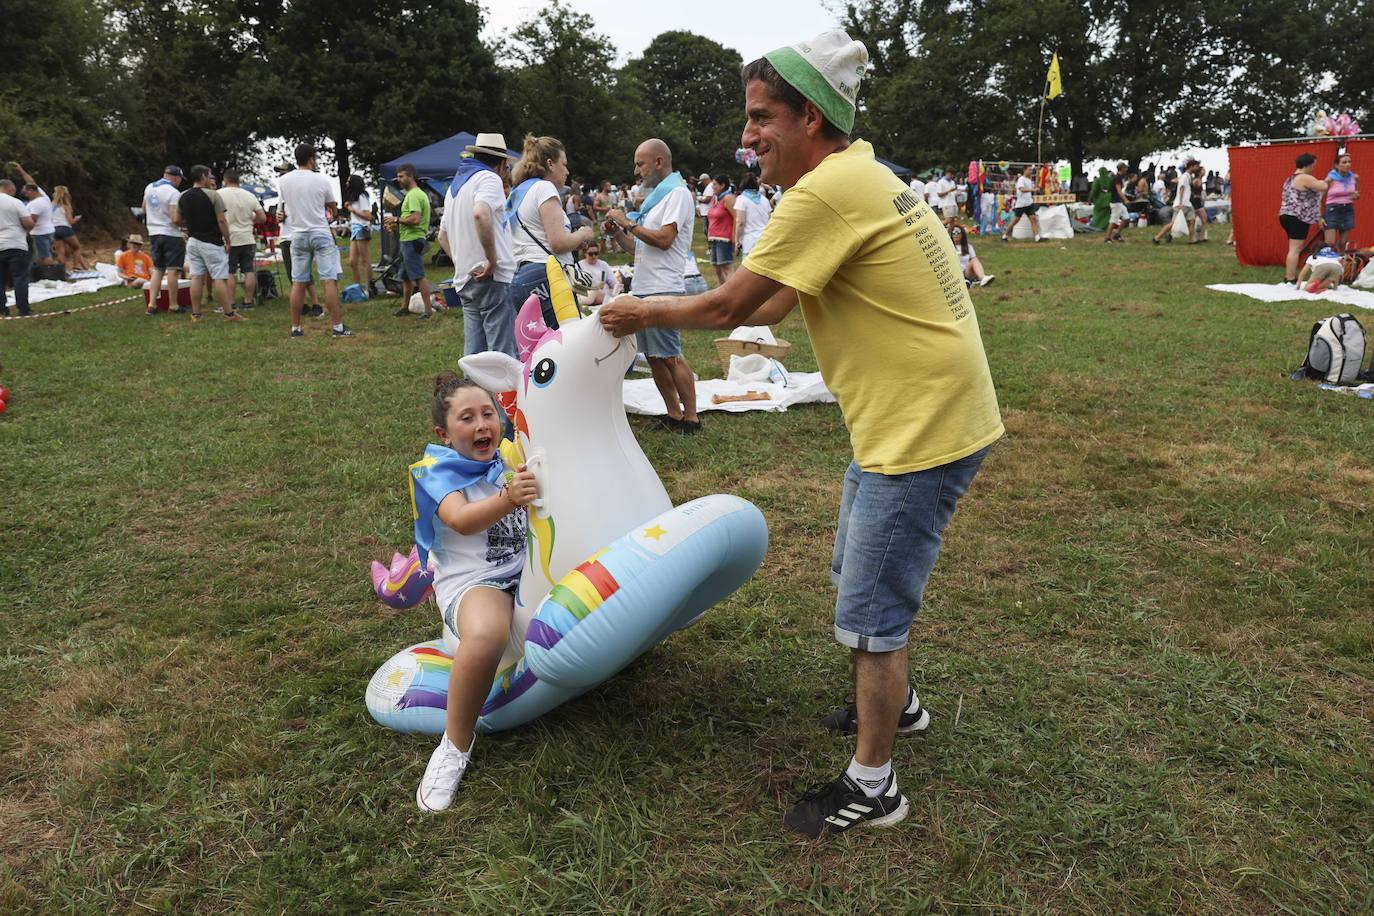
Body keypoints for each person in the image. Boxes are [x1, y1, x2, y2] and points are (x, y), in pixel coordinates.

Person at [600, 30, 1002, 838]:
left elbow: (731, 308)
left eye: (760, 118)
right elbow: (777, 303)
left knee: (872, 608)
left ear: (811, 117)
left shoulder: (826, 190)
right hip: (919, 416)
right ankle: (902, 708)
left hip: (920, 428)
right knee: (855, 569)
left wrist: (640, 311)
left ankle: (874, 784)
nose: (745, 137)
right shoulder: (856, 174)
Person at [414, 372, 539, 813]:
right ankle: (455, 744)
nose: (482, 424)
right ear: (444, 434)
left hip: (526, 570)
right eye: (467, 418)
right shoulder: (436, 471)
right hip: (475, 583)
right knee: (487, 634)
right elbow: (463, 520)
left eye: (488, 413)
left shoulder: (508, 459)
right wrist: (509, 498)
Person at [601, 139, 701, 433]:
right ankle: (673, 414)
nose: (636, 170)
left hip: (663, 287)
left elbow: (664, 239)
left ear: (659, 162)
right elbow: (640, 249)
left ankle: (692, 418)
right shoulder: (657, 198)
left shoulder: (678, 194)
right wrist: (619, 233)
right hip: (645, 286)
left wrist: (628, 223)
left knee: (670, 355)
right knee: (655, 358)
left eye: (640, 163)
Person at [438, 132, 519, 357]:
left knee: (474, 354)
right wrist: (491, 260)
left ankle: (470, 391)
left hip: (465, 278)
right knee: (501, 353)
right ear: (502, 164)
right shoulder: (488, 179)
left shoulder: (455, 188)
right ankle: (501, 393)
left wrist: (462, 261)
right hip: (493, 277)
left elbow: (442, 236)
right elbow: (481, 214)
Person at [504, 135, 594, 329]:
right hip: (547, 277)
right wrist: (583, 234)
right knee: (565, 346)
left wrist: (574, 240)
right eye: (565, 164)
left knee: (541, 351)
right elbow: (557, 243)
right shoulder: (544, 188)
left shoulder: (519, 192)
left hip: (522, 277)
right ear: (550, 164)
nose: (568, 171)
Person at [278, 143, 351, 337]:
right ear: (311, 158)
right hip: (320, 232)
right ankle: (337, 327)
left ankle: (295, 328)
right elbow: (332, 208)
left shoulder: (284, 181)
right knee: (328, 280)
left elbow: (284, 208)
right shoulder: (321, 180)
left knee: (298, 282)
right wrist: (332, 214)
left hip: (297, 234)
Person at [178, 165, 244, 322]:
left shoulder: (183, 196)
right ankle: (229, 314)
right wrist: (228, 241)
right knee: (219, 278)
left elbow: (176, 219)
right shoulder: (213, 196)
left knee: (196, 277)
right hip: (211, 242)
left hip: (192, 241)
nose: (211, 179)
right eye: (209, 176)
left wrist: (190, 225)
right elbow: (221, 220)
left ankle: (196, 314)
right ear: (202, 177)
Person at [387, 164, 434, 319]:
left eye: (401, 176)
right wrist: (396, 225)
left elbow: (415, 219)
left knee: (419, 276)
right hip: (408, 239)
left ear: (410, 176)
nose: (398, 180)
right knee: (406, 278)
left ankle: (428, 311)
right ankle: (404, 307)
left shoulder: (414, 195)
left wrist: (396, 219)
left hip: (412, 241)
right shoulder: (414, 194)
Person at [1277, 152, 1327, 285]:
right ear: (1308, 164)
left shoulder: (1290, 178)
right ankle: (1290, 278)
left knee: (1293, 248)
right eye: (1313, 165)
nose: (1314, 168)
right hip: (1297, 216)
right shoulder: (1304, 177)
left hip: (1285, 215)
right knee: (1295, 249)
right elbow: (1323, 187)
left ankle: (1289, 276)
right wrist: (1326, 180)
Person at [219, 169, 266, 310]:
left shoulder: (219, 194)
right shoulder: (249, 195)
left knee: (230, 271)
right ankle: (248, 301)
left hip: (229, 238)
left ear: (225, 180)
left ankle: (231, 302)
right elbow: (262, 217)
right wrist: (251, 220)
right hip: (247, 237)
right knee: (248, 270)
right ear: (239, 181)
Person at [0, 179, 37, 317]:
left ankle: (2, 310)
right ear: (10, 190)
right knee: (20, 277)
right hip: (15, 243)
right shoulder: (15, 202)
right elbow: (29, 223)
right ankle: (23, 309)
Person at [343, 176, 374, 292]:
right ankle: (358, 287)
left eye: (348, 181)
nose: (346, 183)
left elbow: (368, 216)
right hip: (355, 229)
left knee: (365, 260)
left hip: (362, 228)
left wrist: (352, 210)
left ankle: (371, 287)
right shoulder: (354, 197)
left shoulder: (362, 196)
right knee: (352, 262)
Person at [1323, 153, 1359, 250]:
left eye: (1349, 162)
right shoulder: (1330, 179)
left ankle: (1340, 262)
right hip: (1332, 208)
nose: (1348, 164)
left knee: (1343, 243)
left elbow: (1356, 193)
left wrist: (1356, 195)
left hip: (1347, 208)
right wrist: (1319, 216)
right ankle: (1323, 262)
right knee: (1330, 242)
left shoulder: (1354, 177)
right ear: (1337, 165)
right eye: (1344, 162)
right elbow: (1320, 196)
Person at [706, 174, 737, 284]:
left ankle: (732, 293)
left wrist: (734, 235)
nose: (712, 187)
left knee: (726, 266)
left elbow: (736, 216)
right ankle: (722, 291)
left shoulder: (728, 198)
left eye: (714, 184)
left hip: (724, 238)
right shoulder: (715, 199)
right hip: (714, 237)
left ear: (722, 185)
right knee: (717, 268)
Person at [49, 186, 89, 271]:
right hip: (65, 229)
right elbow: (70, 221)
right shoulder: (66, 206)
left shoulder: (51, 206)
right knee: (77, 248)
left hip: (54, 229)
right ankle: (76, 267)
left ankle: (62, 270)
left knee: (60, 252)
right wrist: (76, 219)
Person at [733, 173, 773, 257]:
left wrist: (737, 241)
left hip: (750, 242)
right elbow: (770, 220)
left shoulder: (741, 199)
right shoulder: (764, 200)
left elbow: (740, 222)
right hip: (765, 240)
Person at [1002, 164, 1041, 241]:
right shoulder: (1021, 179)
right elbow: (1022, 189)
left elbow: (1034, 187)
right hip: (1021, 204)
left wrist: (1038, 175)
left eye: (1031, 170)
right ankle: (1005, 235)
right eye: (1029, 170)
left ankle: (1037, 237)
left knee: (1033, 219)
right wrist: (1032, 190)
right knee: (1015, 221)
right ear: (1025, 170)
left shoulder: (1029, 180)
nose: (1030, 171)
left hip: (1029, 203)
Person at [576, 243, 619, 307]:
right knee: (594, 292)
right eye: (590, 254)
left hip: (603, 293)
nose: (593, 256)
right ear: (585, 254)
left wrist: (617, 287)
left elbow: (613, 282)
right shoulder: (579, 266)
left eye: (596, 253)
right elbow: (577, 285)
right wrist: (595, 286)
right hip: (588, 293)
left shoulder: (603, 264)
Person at [1104, 163, 1129, 243]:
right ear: (1122, 168)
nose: (1126, 170)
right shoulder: (1117, 178)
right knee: (1113, 220)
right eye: (1125, 168)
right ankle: (1107, 238)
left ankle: (1117, 234)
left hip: (1119, 202)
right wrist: (1125, 199)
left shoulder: (1118, 177)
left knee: (1126, 218)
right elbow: (1119, 191)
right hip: (1115, 202)